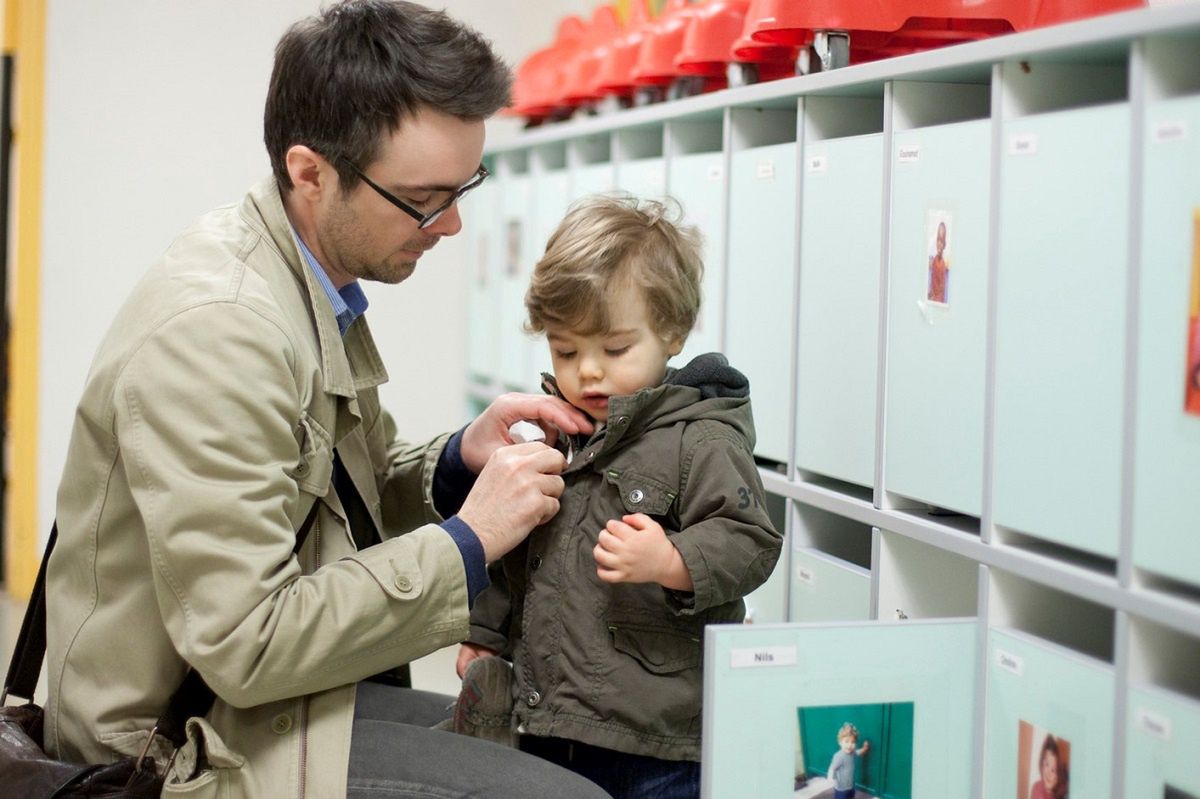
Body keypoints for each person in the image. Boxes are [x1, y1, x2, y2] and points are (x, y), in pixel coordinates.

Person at [43, 2, 615, 798]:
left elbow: (341, 495)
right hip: (173, 747)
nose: (450, 225)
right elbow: (248, 640)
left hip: (249, 701)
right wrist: (470, 539)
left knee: (541, 743)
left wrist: (456, 463)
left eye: (463, 188)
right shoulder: (221, 331)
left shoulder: (307, 282)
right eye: (424, 198)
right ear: (310, 171)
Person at [451, 194, 784, 799]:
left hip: (656, 737)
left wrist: (671, 562)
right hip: (547, 714)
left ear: (672, 331)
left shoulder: (700, 437)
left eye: (614, 349)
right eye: (566, 350)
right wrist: (485, 633)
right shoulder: (557, 431)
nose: (588, 374)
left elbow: (750, 541)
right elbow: (517, 549)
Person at [826, 722, 870, 799]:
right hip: (841, 789)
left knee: (851, 796)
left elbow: (857, 752)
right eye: (846, 741)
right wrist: (830, 778)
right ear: (840, 742)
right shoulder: (839, 756)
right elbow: (832, 768)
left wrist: (864, 748)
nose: (849, 745)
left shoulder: (852, 752)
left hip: (850, 786)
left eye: (852, 742)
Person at [1030, 734, 1068, 799]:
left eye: (1053, 770)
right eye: (1047, 764)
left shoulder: (1062, 793)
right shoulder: (1037, 787)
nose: (1048, 773)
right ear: (1042, 764)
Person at [928, 220, 949, 303]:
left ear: (944, 245)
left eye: (941, 241)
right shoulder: (934, 260)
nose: (939, 244)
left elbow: (941, 293)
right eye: (938, 240)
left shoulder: (943, 265)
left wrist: (933, 298)